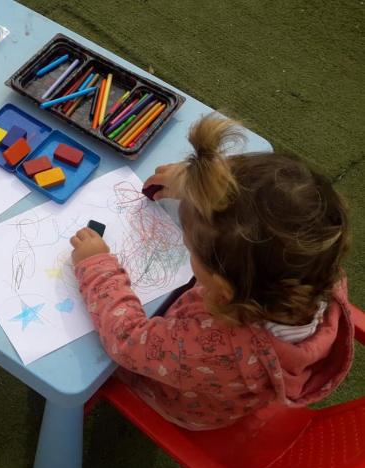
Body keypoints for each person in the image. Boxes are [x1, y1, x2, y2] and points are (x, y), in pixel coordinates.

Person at [71, 113, 354, 429]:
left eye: (191, 248)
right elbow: (253, 208)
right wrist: (196, 189)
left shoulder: (213, 348)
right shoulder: (310, 268)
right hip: (229, 379)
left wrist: (96, 267)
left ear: (222, 289)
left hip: (177, 398)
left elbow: (127, 340)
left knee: (80, 361)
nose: (188, 246)